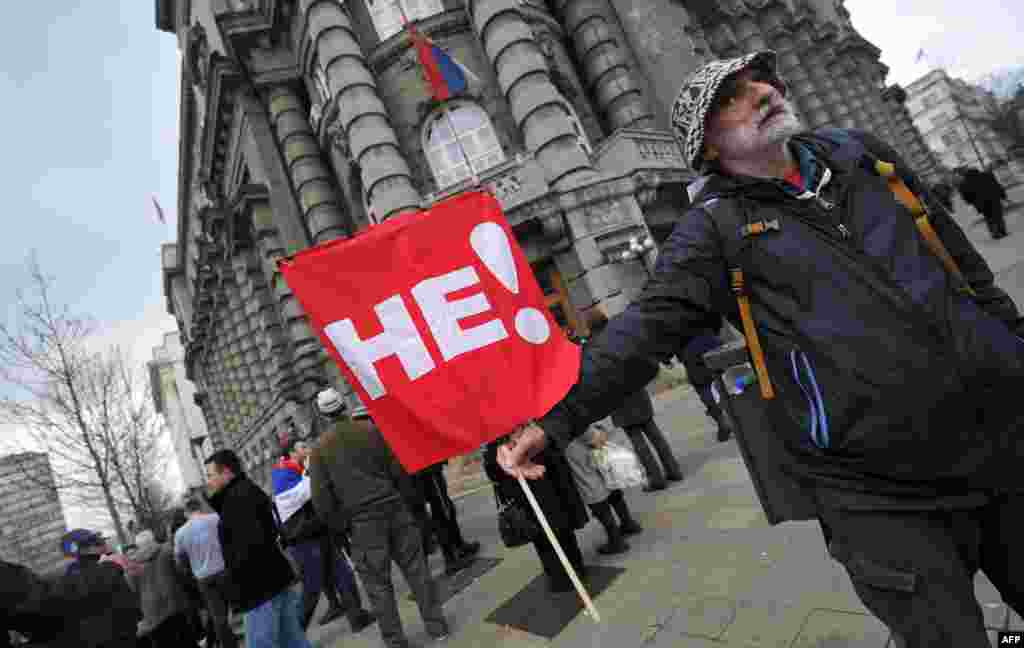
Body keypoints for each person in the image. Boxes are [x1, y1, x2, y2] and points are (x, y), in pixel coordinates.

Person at [497, 50, 1024, 646]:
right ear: (709, 147)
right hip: (881, 494)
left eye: (760, 81)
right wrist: (556, 420)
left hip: (1003, 441)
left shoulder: (863, 156)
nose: (762, 93)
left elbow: (959, 265)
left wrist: (1011, 345)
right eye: (732, 98)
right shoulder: (713, 229)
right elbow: (642, 330)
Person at [308, 388, 449, 648]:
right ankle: (437, 626)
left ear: (322, 415)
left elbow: (321, 500)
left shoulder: (319, 450)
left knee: (378, 586)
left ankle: (396, 642)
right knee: (418, 571)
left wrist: (343, 526)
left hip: (362, 523)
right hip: (395, 509)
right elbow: (399, 470)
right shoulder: (372, 430)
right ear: (344, 406)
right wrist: (408, 505)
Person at [203, 449, 311, 648]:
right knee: (293, 640)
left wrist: (234, 585)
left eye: (210, 475)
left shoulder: (237, 499)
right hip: (273, 581)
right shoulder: (242, 492)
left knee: (268, 642)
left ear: (226, 473)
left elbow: (249, 547)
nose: (208, 481)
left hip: (258, 589)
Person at [271, 437, 374, 632]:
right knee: (311, 592)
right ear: (292, 453)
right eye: (303, 447)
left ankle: (357, 617)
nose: (308, 449)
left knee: (344, 576)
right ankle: (294, 638)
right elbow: (308, 491)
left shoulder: (297, 470)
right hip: (304, 541)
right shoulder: (282, 475)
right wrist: (312, 470)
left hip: (319, 532)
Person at [586, 311, 683, 491]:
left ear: (589, 326)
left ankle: (656, 478)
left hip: (618, 397)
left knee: (637, 439)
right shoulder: (620, 333)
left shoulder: (593, 347)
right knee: (654, 432)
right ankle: (673, 470)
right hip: (637, 390)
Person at [483, 435, 589, 593]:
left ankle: (562, 577)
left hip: (536, 493)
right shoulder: (524, 433)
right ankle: (574, 569)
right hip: (546, 488)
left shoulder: (497, 444)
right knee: (559, 531)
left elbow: (495, 474)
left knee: (546, 537)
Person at [47, 529, 143, 648]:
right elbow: (134, 611)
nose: (99, 545)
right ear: (87, 548)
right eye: (95, 543)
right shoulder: (110, 570)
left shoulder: (62, 584)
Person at [563, 421, 643, 555]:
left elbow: (583, 429)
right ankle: (627, 523)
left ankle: (616, 540)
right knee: (610, 484)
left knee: (595, 494)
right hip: (590, 447)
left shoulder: (556, 412)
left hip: (579, 452)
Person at [174, 498, 238, 648]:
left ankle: (230, 645)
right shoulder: (215, 518)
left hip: (203, 577)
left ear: (186, 513)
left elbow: (179, 560)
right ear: (200, 507)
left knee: (218, 616)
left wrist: (190, 570)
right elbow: (230, 539)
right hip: (223, 569)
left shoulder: (180, 533)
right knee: (239, 606)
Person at [126, 530, 200, 648]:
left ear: (138, 545)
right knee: (186, 638)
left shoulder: (132, 563)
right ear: (153, 539)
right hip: (175, 602)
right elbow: (181, 571)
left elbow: (132, 588)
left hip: (152, 611)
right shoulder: (167, 550)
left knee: (165, 642)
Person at [412, 461, 480, 576]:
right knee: (441, 511)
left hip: (428, 469)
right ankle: (450, 558)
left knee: (446, 507)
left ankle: (458, 546)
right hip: (426, 470)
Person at [678, 323, 732, 443]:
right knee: (726, 381)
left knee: (704, 388)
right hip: (710, 340)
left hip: (690, 350)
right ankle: (730, 418)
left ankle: (722, 421)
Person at [958, 165, 1009, 239]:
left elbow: (966, 196)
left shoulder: (964, 183)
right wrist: (1003, 195)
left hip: (981, 204)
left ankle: (995, 233)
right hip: (994, 199)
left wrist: (971, 202)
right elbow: (997, 186)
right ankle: (1002, 231)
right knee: (998, 215)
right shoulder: (987, 175)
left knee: (988, 217)